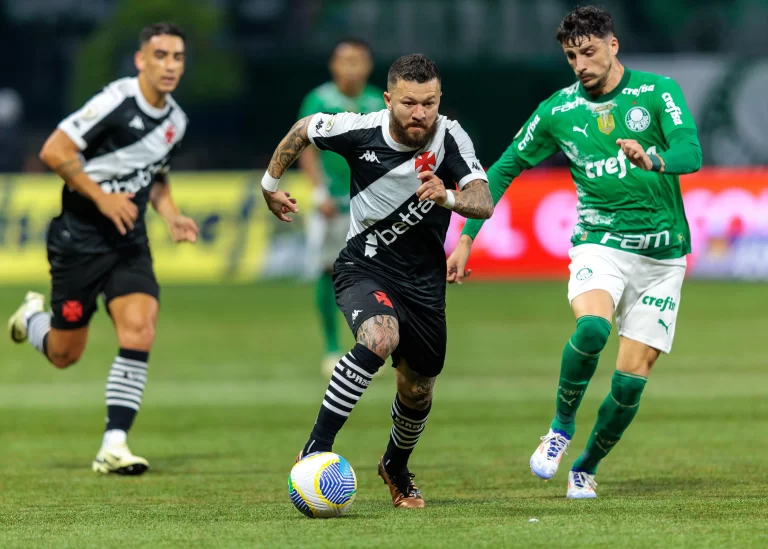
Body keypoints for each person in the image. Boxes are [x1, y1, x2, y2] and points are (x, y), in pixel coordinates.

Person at [447, 5, 702, 499]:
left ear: (613, 45)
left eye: (588, 52)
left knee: (629, 383)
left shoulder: (657, 92)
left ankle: (585, 466)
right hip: (599, 243)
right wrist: (464, 237)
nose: (580, 64)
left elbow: (691, 152)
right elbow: (503, 168)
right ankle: (560, 429)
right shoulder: (558, 111)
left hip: (662, 256)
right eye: (570, 56)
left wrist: (652, 158)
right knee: (591, 327)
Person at [261, 54, 493, 508]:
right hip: (363, 266)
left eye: (429, 103)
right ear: (389, 99)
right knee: (379, 335)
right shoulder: (359, 128)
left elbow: (483, 200)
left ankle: (395, 465)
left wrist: (446, 195)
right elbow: (304, 128)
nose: (420, 114)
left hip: (424, 287)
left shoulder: (451, 137)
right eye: (409, 103)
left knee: (418, 388)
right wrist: (269, 185)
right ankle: (315, 448)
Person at [7, 22, 198, 476]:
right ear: (140, 60)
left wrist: (169, 213)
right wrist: (102, 197)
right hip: (78, 242)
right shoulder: (115, 101)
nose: (170, 65)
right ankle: (31, 319)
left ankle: (114, 445)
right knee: (64, 354)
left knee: (139, 330)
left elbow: (156, 175)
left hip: (129, 242)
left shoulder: (176, 121)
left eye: (177, 57)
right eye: (160, 56)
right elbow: (54, 151)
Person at [297, 38, 386, 377]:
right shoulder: (319, 100)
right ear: (333, 66)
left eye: (358, 60)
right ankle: (331, 347)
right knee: (329, 269)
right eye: (345, 60)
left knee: (380, 272)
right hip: (332, 201)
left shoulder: (379, 101)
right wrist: (318, 192)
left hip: (372, 201)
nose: (351, 67)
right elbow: (305, 148)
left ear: (368, 65)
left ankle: (374, 340)